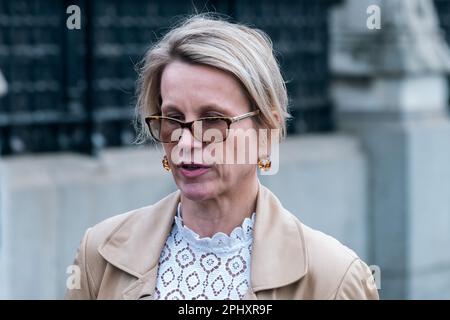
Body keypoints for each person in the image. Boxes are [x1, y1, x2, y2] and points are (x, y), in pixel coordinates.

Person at [65, 14, 379, 300]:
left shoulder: (332, 279)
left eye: (213, 119)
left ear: (266, 131)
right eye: (173, 118)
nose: (186, 141)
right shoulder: (101, 254)